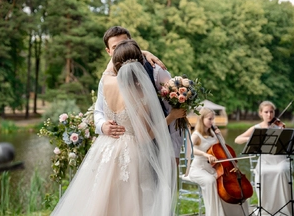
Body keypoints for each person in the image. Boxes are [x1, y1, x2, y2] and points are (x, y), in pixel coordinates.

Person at [51, 39, 177, 215]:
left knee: (102, 200)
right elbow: (143, 137)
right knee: (132, 203)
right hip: (132, 154)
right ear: (140, 64)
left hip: (106, 148)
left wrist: (143, 54)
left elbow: (116, 63)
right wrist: (172, 116)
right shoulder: (140, 94)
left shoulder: (106, 81)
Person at [94, 26, 185, 165]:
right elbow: (98, 111)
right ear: (109, 52)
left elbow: (173, 110)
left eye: (124, 43)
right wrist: (102, 126)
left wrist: (175, 152)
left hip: (157, 150)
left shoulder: (156, 71)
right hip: (132, 156)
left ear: (131, 42)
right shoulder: (108, 81)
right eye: (116, 47)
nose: (121, 48)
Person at [235, 100, 294, 215]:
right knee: (262, 172)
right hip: (265, 162)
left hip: (281, 160)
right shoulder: (256, 128)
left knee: (281, 170)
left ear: (274, 112)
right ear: (260, 113)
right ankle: (267, 207)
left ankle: (284, 206)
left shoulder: (280, 126)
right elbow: (237, 139)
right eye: (266, 112)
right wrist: (250, 139)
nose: (269, 115)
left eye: (271, 112)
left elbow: (289, 143)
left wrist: (284, 132)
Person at [188, 107, 249, 216]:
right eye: (210, 119)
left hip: (213, 168)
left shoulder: (213, 133)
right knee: (211, 181)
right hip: (198, 169)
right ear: (201, 119)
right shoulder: (196, 135)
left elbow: (223, 148)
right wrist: (205, 154)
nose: (212, 122)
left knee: (229, 185)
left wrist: (219, 135)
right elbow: (190, 150)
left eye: (213, 119)